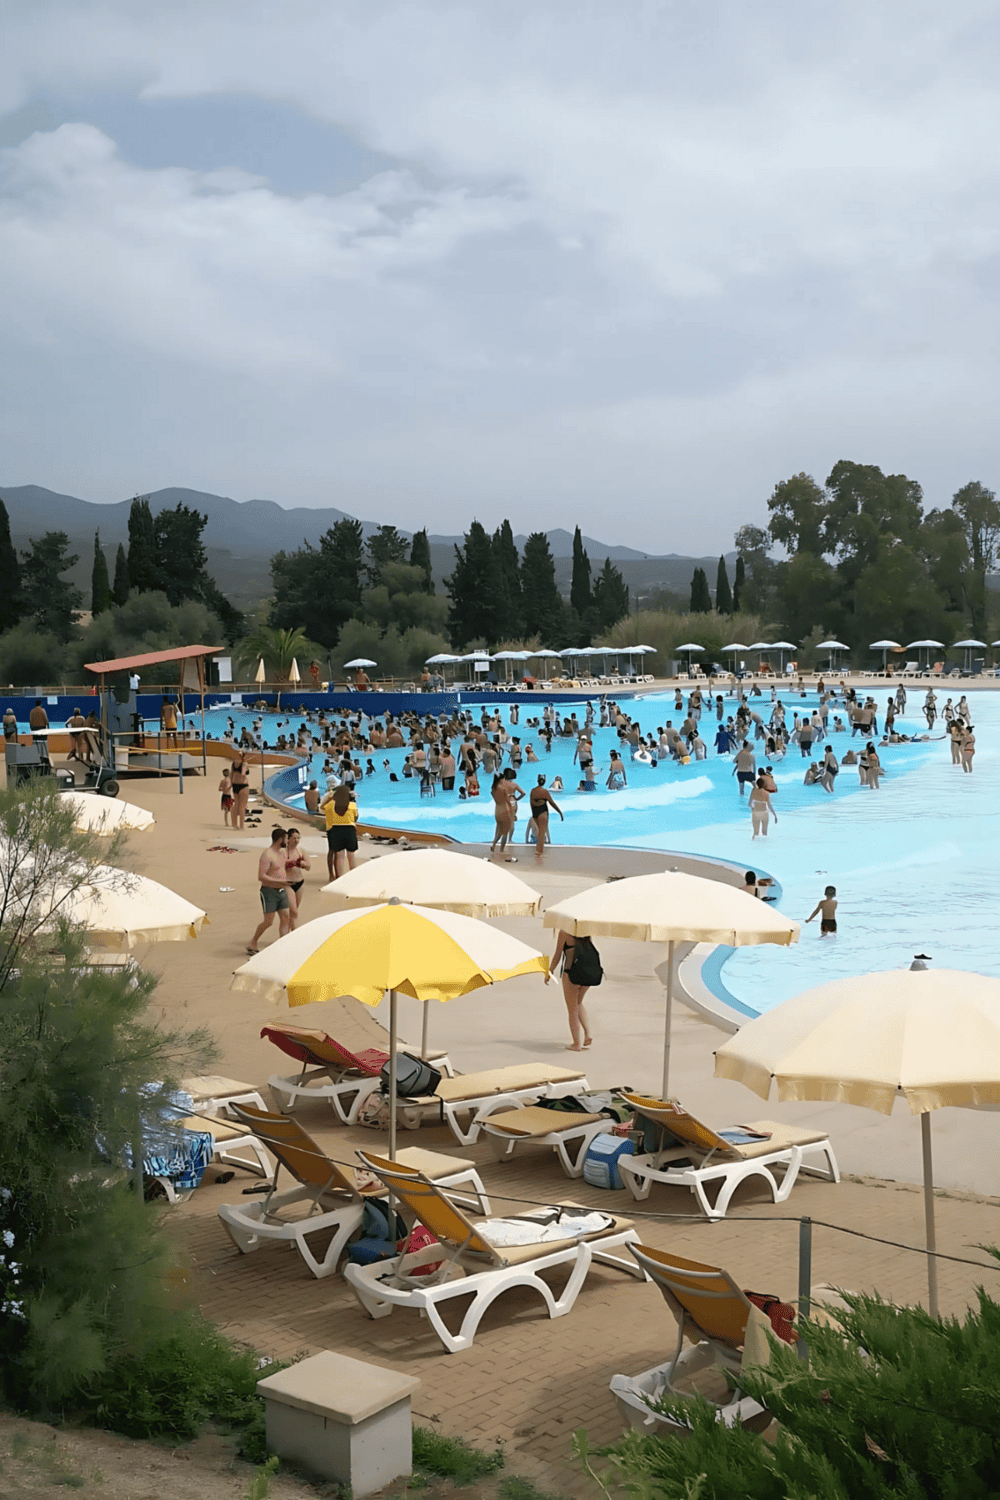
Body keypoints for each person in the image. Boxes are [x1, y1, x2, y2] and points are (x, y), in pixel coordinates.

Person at [546, 929, 594, 1050]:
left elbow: (558, 955)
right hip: (587, 974)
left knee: (572, 1009)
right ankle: (587, 1034)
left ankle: (576, 1044)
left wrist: (550, 972)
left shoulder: (564, 933)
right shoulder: (586, 930)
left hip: (571, 974)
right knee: (578, 1003)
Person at [246, 828, 292, 953]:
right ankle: (253, 943)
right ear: (281, 839)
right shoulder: (267, 854)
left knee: (285, 917)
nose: (287, 841)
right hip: (269, 891)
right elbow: (261, 876)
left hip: (281, 890)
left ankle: (283, 943)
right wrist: (280, 882)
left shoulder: (282, 853)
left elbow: (281, 868)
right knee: (268, 921)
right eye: (286, 839)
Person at [321, 784, 359, 880]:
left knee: (339, 856)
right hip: (349, 830)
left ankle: (339, 878)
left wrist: (330, 797)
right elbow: (355, 817)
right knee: (351, 855)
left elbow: (322, 807)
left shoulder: (331, 805)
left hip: (336, 830)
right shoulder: (352, 805)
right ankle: (354, 877)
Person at [527, 775, 563, 860]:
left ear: (537, 781)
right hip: (543, 812)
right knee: (542, 833)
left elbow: (531, 803)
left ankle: (538, 851)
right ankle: (539, 852)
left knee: (539, 832)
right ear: (544, 781)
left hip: (535, 812)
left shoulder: (533, 791)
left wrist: (534, 814)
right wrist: (560, 812)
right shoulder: (545, 792)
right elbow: (552, 803)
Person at [284, 825, 311, 927]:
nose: (296, 840)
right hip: (287, 884)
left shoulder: (300, 851)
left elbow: (308, 867)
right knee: (294, 911)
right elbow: (278, 867)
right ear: (288, 839)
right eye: (294, 838)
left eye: (298, 838)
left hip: (300, 883)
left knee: (294, 912)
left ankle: (290, 931)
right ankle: (293, 932)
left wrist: (301, 863)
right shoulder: (282, 851)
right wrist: (290, 863)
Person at [230, 753, 250, 829]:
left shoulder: (234, 763)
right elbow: (243, 774)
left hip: (235, 785)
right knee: (242, 806)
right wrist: (245, 766)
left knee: (236, 805)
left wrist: (231, 784)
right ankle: (242, 826)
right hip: (243, 785)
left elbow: (231, 775)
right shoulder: (244, 763)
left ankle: (235, 824)